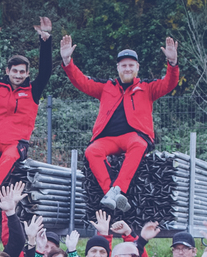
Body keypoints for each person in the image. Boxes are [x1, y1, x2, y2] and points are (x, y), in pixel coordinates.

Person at [60, 34, 179, 212]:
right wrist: (67, 60)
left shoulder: (147, 87)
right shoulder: (106, 86)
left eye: (131, 65)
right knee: (92, 151)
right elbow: (82, 82)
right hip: (107, 138)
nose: (127, 68)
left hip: (134, 136)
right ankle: (110, 192)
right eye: (124, 65)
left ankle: (117, 190)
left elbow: (169, 83)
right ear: (118, 68)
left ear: (137, 67)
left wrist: (172, 63)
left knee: (138, 145)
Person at [0, 16, 53, 209]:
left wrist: (45, 41)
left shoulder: (33, 90)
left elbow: (46, 71)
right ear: (8, 71)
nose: (18, 75)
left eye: (22, 72)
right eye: (14, 71)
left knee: (8, 159)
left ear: (27, 74)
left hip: (17, 142)